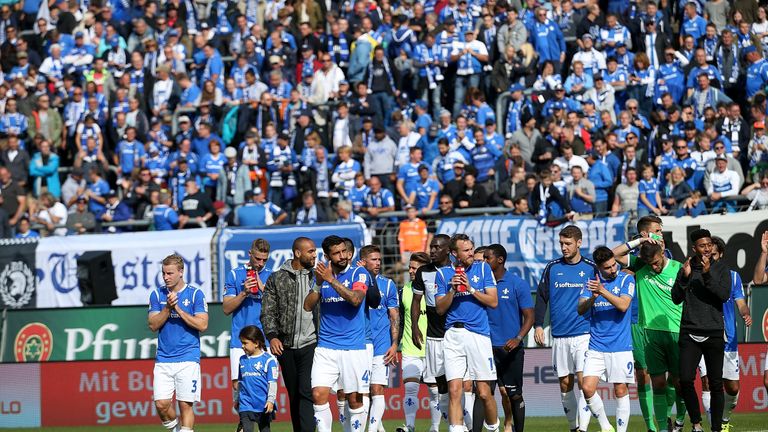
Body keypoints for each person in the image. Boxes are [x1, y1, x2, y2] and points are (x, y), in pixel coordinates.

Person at [613, 235, 685, 432]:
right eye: (649, 264)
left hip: (676, 332)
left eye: (655, 263)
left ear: (662, 252)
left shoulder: (678, 268)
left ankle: (679, 420)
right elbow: (612, 255)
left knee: (680, 382)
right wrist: (638, 242)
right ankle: (661, 428)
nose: (653, 267)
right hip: (650, 335)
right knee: (658, 382)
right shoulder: (641, 266)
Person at [303, 235, 372, 432]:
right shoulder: (321, 276)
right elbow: (308, 307)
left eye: (344, 251)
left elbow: (356, 299)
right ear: (327, 256)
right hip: (326, 346)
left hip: (353, 348)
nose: (342, 256)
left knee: (354, 399)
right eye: (336, 253)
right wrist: (317, 283)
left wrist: (331, 280)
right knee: (318, 394)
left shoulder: (359, 273)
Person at [533, 225, 598, 432]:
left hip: (584, 333)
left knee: (584, 383)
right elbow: (542, 298)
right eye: (561, 243)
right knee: (565, 385)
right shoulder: (552, 267)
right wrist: (538, 325)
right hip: (559, 335)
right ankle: (573, 426)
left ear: (579, 243)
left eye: (568, 243)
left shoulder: (590, 267)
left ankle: (583, 429)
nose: (564, 247)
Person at [435, 234, 499, 432]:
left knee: (484, 392)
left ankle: (494, 428)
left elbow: (493, 301)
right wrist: (453, 290)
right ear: (454, 253)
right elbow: (439, 309)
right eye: (466, 250)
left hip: (478, 334)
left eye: (472, 249)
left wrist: (470, 288)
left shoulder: (482, 268)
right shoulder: (444, 274)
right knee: (454, 391)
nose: (472, 253)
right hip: (453, 335)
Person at [672, 229, 731, 432]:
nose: (706, 249)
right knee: (685, 379)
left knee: (716, 384)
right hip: (689, 332)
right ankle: (696, 424)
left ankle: (716, 428)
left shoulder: (721, 268)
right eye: (702, 245)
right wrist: (685, 278)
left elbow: (723, 295)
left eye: (709, 245)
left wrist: (706, 275)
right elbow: (676, 298)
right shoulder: (686, 268)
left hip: (714, 332)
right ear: (694, 248)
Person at [261, 237, 318, 432]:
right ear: (297, 253)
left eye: (315, 251)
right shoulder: (277, 278)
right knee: (294, 394)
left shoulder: (318, 277)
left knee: (306, 391)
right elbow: (268, 311)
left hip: (312, 343)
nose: (314, 254)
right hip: (285, 345)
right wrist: (272, 336)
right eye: (310, 251)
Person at [148, 254, 209, 432]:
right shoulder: (156, 294)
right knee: (161, 404)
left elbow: (202, 324)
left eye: (170, 273)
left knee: (185, 406)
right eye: (163, 273)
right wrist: (167, 308)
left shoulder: (195, 294)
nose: (166, 277)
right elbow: (153, 325)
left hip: (188, 358)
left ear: (181, 272)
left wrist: (178, 309)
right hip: (164, 359)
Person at [577, 247, 635, 432]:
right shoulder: (591, 283)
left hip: (621, 346)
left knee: (620, 390)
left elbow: (623, 305)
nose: (613, 269)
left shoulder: (626, 279)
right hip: (596, 346)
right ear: (599, 268)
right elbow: (580, 309)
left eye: (613, 265)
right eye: (608, 267)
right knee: (587, 388)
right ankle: (605, 426)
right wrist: (592, 298)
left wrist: (602, 291)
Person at [699, 237, 752, 431]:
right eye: (706, 254)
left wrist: (745, 313)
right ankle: (714, 424)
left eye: (712, 254)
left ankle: (724, 419)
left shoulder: (733, 277)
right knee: (707, 383)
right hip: (704, 335)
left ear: (720, 254)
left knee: (732, 388)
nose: (709, 257)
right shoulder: (698, 275)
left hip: (727, 339)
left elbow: (740, 302)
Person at [484, 244, 534, 432]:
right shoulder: (480, 285)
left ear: (500, 260)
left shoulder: (517, 283)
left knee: (513, 394)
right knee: (484, 393)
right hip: (486, 348)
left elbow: (529, 316)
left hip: (510, 349)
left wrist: (518, 338)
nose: (484, 261)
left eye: (487, 258)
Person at [223, 239, 272, 415]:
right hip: (240, 340)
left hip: (264, 340)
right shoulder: (235, 275)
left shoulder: (271, 276)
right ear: (250, 254)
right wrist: (243, 292)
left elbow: (278, 306)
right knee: (238, 385)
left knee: (265, 387)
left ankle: (262, 424)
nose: (260, 263)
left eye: (264, 260)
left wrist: (261, 285)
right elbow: (226, 308)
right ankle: (244, 423)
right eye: (257, 258)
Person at [411, 234, 452, 431]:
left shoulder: (456, 270)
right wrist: (414, 326)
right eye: (431, 247)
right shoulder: (423, 272)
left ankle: (467, 425)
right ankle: (446, 425)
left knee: (464, 385)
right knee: (439, 385)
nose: (432, 250)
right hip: (434, 336)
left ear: (448, 250)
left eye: (437, 247)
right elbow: (416, 301)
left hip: (455, 335)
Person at [360, 245, 399, 431]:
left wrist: (394, 344)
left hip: (382, 342)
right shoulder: (354, 281)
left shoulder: (388, 284)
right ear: (364, 261)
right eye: (374, 259)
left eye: (379, 260)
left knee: (377, 389)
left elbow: (394, 316)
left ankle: (372, 429)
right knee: (362, 392)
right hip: (360, 343)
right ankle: (378, 428)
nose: (378, 263)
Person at [400, 252, 431, 432]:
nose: (410, 271)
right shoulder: (403, 290)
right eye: (410, 267)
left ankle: (434, 427)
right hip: (411, 348)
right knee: (411, 387)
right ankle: (410, 426)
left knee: (435, 391)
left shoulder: (435, 289)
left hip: (433, 347)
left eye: (414, 268)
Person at [237, 325, 278, 432]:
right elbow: (240, 382)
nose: (242, 346)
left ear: (256, 343)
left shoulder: (269, 360)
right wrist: (237, 399)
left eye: (245, 343)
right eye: (242, 343)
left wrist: (270, 400)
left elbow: (272, 383)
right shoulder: (242, 360)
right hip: (246, 404)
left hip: (263, 404)